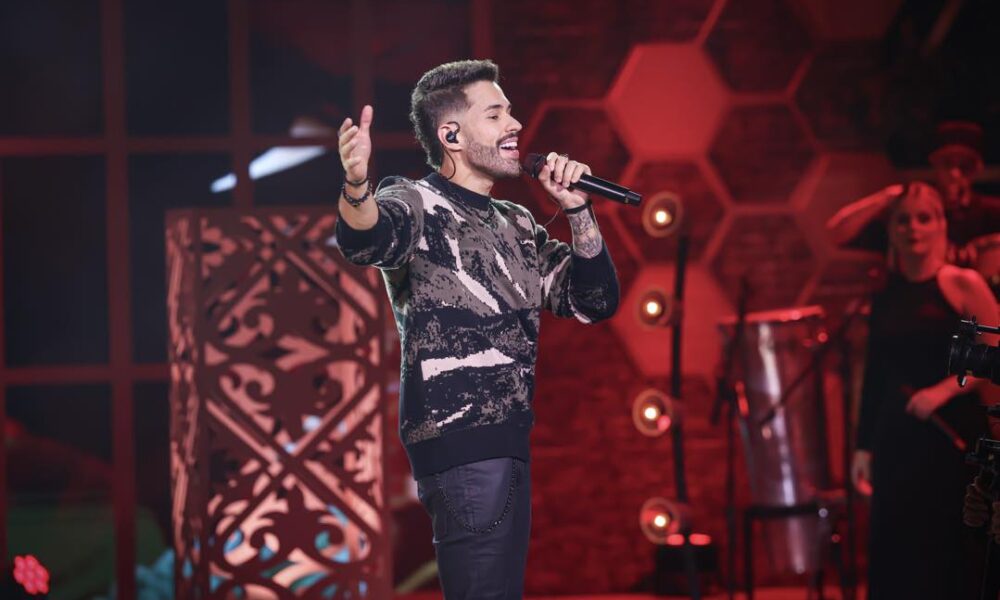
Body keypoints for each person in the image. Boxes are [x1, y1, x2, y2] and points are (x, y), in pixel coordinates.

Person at [334, 59, 619, 598]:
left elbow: (593, 301)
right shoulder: (417, 203)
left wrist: (578, 208)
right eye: (495, 114)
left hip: (508, 441)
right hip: (459, 441)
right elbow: (366, 240)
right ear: (452, 136)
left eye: (509, 111)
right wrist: (355, 184)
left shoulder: (517, 223)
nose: (515, 123)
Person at [850, 182, 999, 599]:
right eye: (903, 219)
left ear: (941, 225)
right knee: (897, 553)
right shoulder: (885, 295)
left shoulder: (962, 283)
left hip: (950, 436)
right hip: (897, 438)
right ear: (892, 231)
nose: (913, 227)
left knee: (951, 552)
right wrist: (863, 447)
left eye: (923, 218)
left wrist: (944, 390)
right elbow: (876, 374)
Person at [826, 121, 1000, 294]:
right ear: (934, 164)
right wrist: (885, 197)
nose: (954, 174)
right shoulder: (909, 215)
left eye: (965, 166)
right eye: (947, 163)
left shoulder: (992, 212)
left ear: (977, 169)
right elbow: (836, 234)